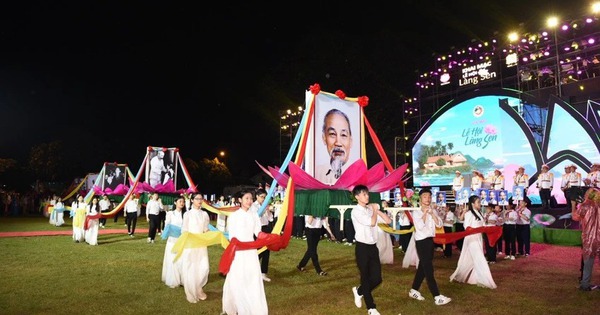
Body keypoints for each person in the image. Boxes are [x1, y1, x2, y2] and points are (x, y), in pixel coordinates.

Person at [222, 189, 268, 315]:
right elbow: (232, 236)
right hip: (238, 251)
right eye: (247, 198)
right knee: (238, 276)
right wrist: (238, 245)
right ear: (240, 200)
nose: (249, 201)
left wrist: (268, 238)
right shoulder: (234, 216)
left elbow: (257, 232)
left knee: (252, 276)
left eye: (251, 198)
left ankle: (252, 304)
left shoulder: (254, 215)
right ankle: (237, 303)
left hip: (251, 250)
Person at [350, 184, 391, 315]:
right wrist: (374, 210)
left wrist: (376, 210)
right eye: (363, 194)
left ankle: (359, 291)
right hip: (362, 247)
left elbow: (388, 220)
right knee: (365, 277)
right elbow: (372, 222)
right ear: (357, 197)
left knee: (377, 278)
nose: (367, 196)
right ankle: (371, 308)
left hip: (373, 247)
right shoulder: (355, 211)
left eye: (367, 194)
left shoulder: (369, 210)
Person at [407, 188, 452, 306]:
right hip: (421, 242)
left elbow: (439, 224)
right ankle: (437, 296)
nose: (428, 199)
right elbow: (420, 226)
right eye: (425, 196)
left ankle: (414, 290)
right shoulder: (416, 212)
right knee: (428, 269)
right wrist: (426, 214)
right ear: (420, 198)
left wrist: (433, 214)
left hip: (430, 241)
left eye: (429, 197)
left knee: (423, 267)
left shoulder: (433, 210)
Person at [450, 195, 497, 289]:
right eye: (478, 202)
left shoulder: (479, 213)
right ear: (472, 204)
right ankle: (485, 279)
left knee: (470, 258)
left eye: (480, 202)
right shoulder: (469, 214)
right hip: (472, 238)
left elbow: (483, 225)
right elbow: (466, 227)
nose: (480, 204)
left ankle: (472, 277)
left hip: (478, 238)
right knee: (479, 257)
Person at [180, 193, 210, 303]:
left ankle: (198, 287)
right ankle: (192, 290)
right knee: (191, 267)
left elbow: (205, 229)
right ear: (192, 200)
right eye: (197, 198)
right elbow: (184, 230)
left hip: (201, 244)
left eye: (201, 198)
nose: (200, 200)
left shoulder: (205, 214)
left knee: (203, 267)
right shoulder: (187, 214)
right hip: (191, 244)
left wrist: (211, 235)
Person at [572, 187, 600, 291]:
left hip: (590, 238)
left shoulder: (585, 205)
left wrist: (573, 206)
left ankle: (585, 284)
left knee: (588, 262)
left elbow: (575, 217)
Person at [315, 108, 354, 185]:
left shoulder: (359, 174)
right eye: (332, 134)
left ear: (351, 141)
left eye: (343, 135)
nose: (338, 143)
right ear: (324, 138)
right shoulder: (316, 173)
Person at [250, 188, 274, 282]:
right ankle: (252, 270)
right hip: (258, 230)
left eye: (265, 197)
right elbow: (256, 216)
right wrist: (264, 208)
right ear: (257, 196)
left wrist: (268, 210)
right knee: (258, 251)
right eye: (262, 197)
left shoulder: (266, 205)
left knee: (267, 251)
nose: (263, 199)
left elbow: (270, 219)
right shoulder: (253, 206)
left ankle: (263, 273)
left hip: (266, 228)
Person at [162, 196, 185, 289]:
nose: (182, 203)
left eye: (183, 202)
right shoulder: (170, 213)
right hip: (173, 239)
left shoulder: (185, 214)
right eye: (180, 201)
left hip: (182, 239)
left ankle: (182, 278)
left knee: (182, 259)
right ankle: (173, 279)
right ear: (175, 203)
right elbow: (167, 225)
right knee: (173, 258)